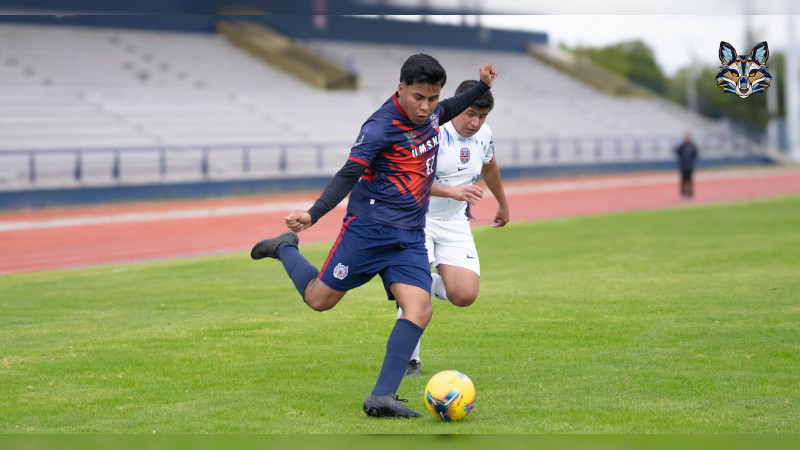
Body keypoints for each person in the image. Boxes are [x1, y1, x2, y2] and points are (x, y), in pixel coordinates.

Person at [250, 54, 498, 418]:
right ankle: (286, 248)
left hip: (410, 236)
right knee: (319, 299)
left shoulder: (432, 113)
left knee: (420, 308)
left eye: (432, 99)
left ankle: (382, 396)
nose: (426, 107)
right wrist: (313, 215)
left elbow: (452, 106)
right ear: (401, 88)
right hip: (368, 233)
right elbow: (348, 175)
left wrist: (482, 87)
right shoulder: (380, 127)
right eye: (418, 97)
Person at [398, 79, 510, 378]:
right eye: (470, 113)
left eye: (482, 117)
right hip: (416, 220)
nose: (475, 122)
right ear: (458, 105)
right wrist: (452, 191)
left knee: (464, 295)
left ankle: (422, 282)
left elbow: (489, 165)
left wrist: (503, 203)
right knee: (415, 291)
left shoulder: (484, 135)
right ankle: (410, 361)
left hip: (455, 221)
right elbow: (413, 180)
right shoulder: (431, 132)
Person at [675, 131, 699, 199]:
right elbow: (677, 152)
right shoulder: (682, 145)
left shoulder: (692, 145)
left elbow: (695, 154)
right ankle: (683, 194)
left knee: (690, 181)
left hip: (690, 166)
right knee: (683, 180)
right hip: (683, 166)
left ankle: (690, 194)